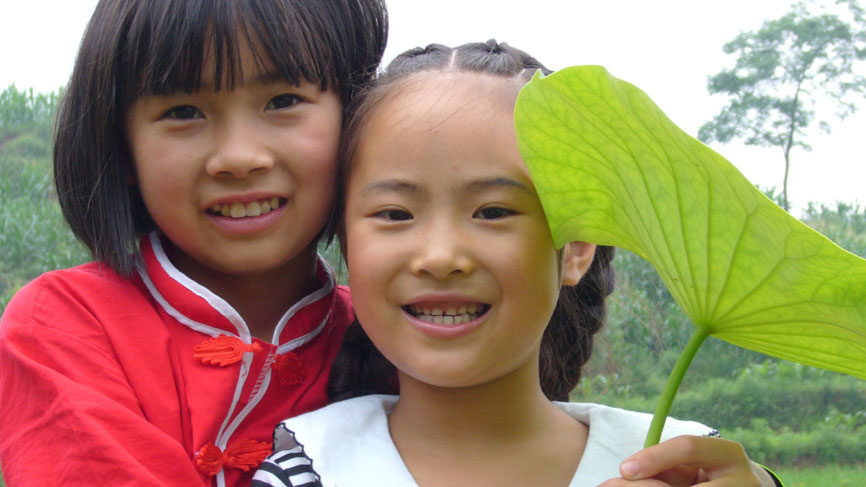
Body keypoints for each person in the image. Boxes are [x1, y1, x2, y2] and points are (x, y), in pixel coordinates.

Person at [252, 41, 783, 487]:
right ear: (345, 245)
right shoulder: (310, 469)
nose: (440, 257)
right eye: (394, 213)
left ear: (575, 248)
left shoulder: (681, 466)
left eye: (493, 211)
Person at [0, 1, 387, 486]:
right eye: (183, 112)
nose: (239, 158)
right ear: (120, 147)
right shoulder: (64, 326)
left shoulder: (393, 336)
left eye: (283, 100)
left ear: (354, 117)